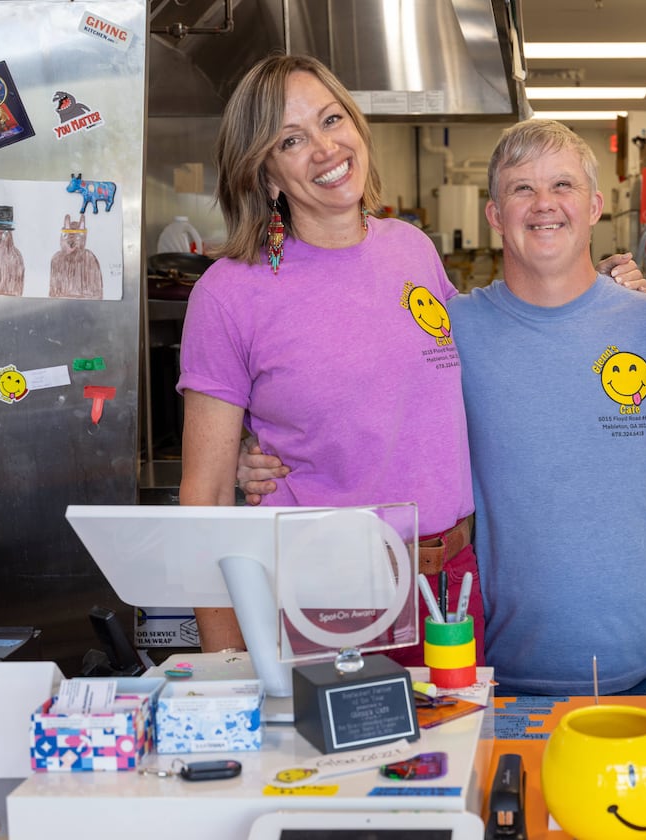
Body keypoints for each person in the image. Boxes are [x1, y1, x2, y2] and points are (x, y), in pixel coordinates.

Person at [243, 119, 646, 696]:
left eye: (563, 186)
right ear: (494, 215)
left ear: (596, 206)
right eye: (521, 189)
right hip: (500, 670)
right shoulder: (449, 336)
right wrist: (252, 453)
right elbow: (351, 410)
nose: (544, 205)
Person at [177, 54, 484, 658]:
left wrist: (595, 286)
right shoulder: (229, 292)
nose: (325, 149)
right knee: (333, 756)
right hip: (326, 592)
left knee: (452, 750)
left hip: (450, 582)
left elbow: (460, 372)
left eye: (332, 119)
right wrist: (229, 663)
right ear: (265, 173)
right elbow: (206, 497)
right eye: (292, 139)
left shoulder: (412, 250)